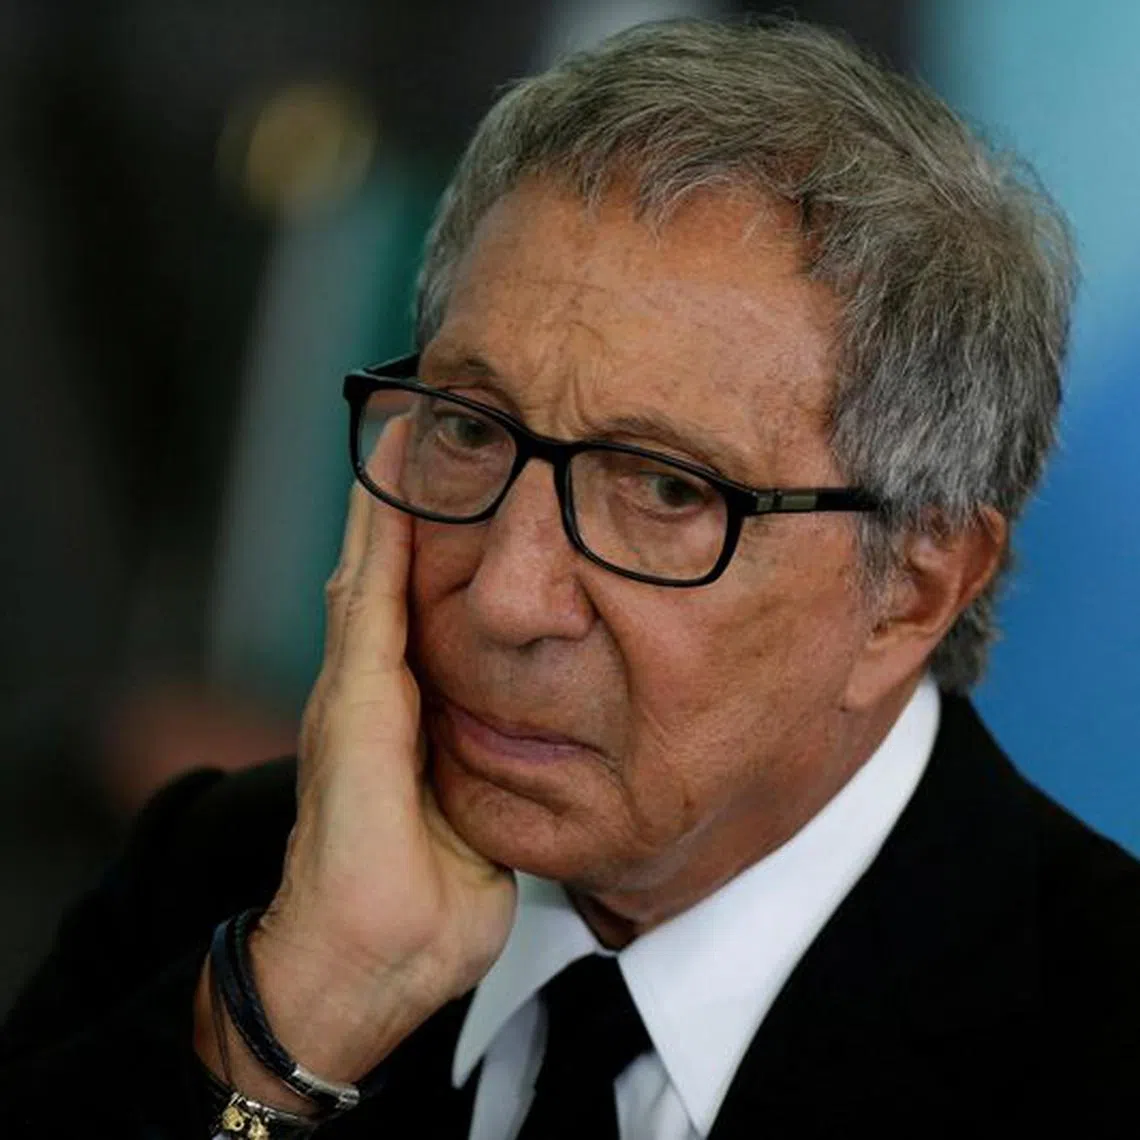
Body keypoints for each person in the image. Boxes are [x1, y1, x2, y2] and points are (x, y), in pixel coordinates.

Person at [2, 16, 1137, 1138]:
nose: (508, 596)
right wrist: (284, 1034)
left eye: (665, 492)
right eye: (472, 431)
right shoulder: (222, 891)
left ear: (915, 589)